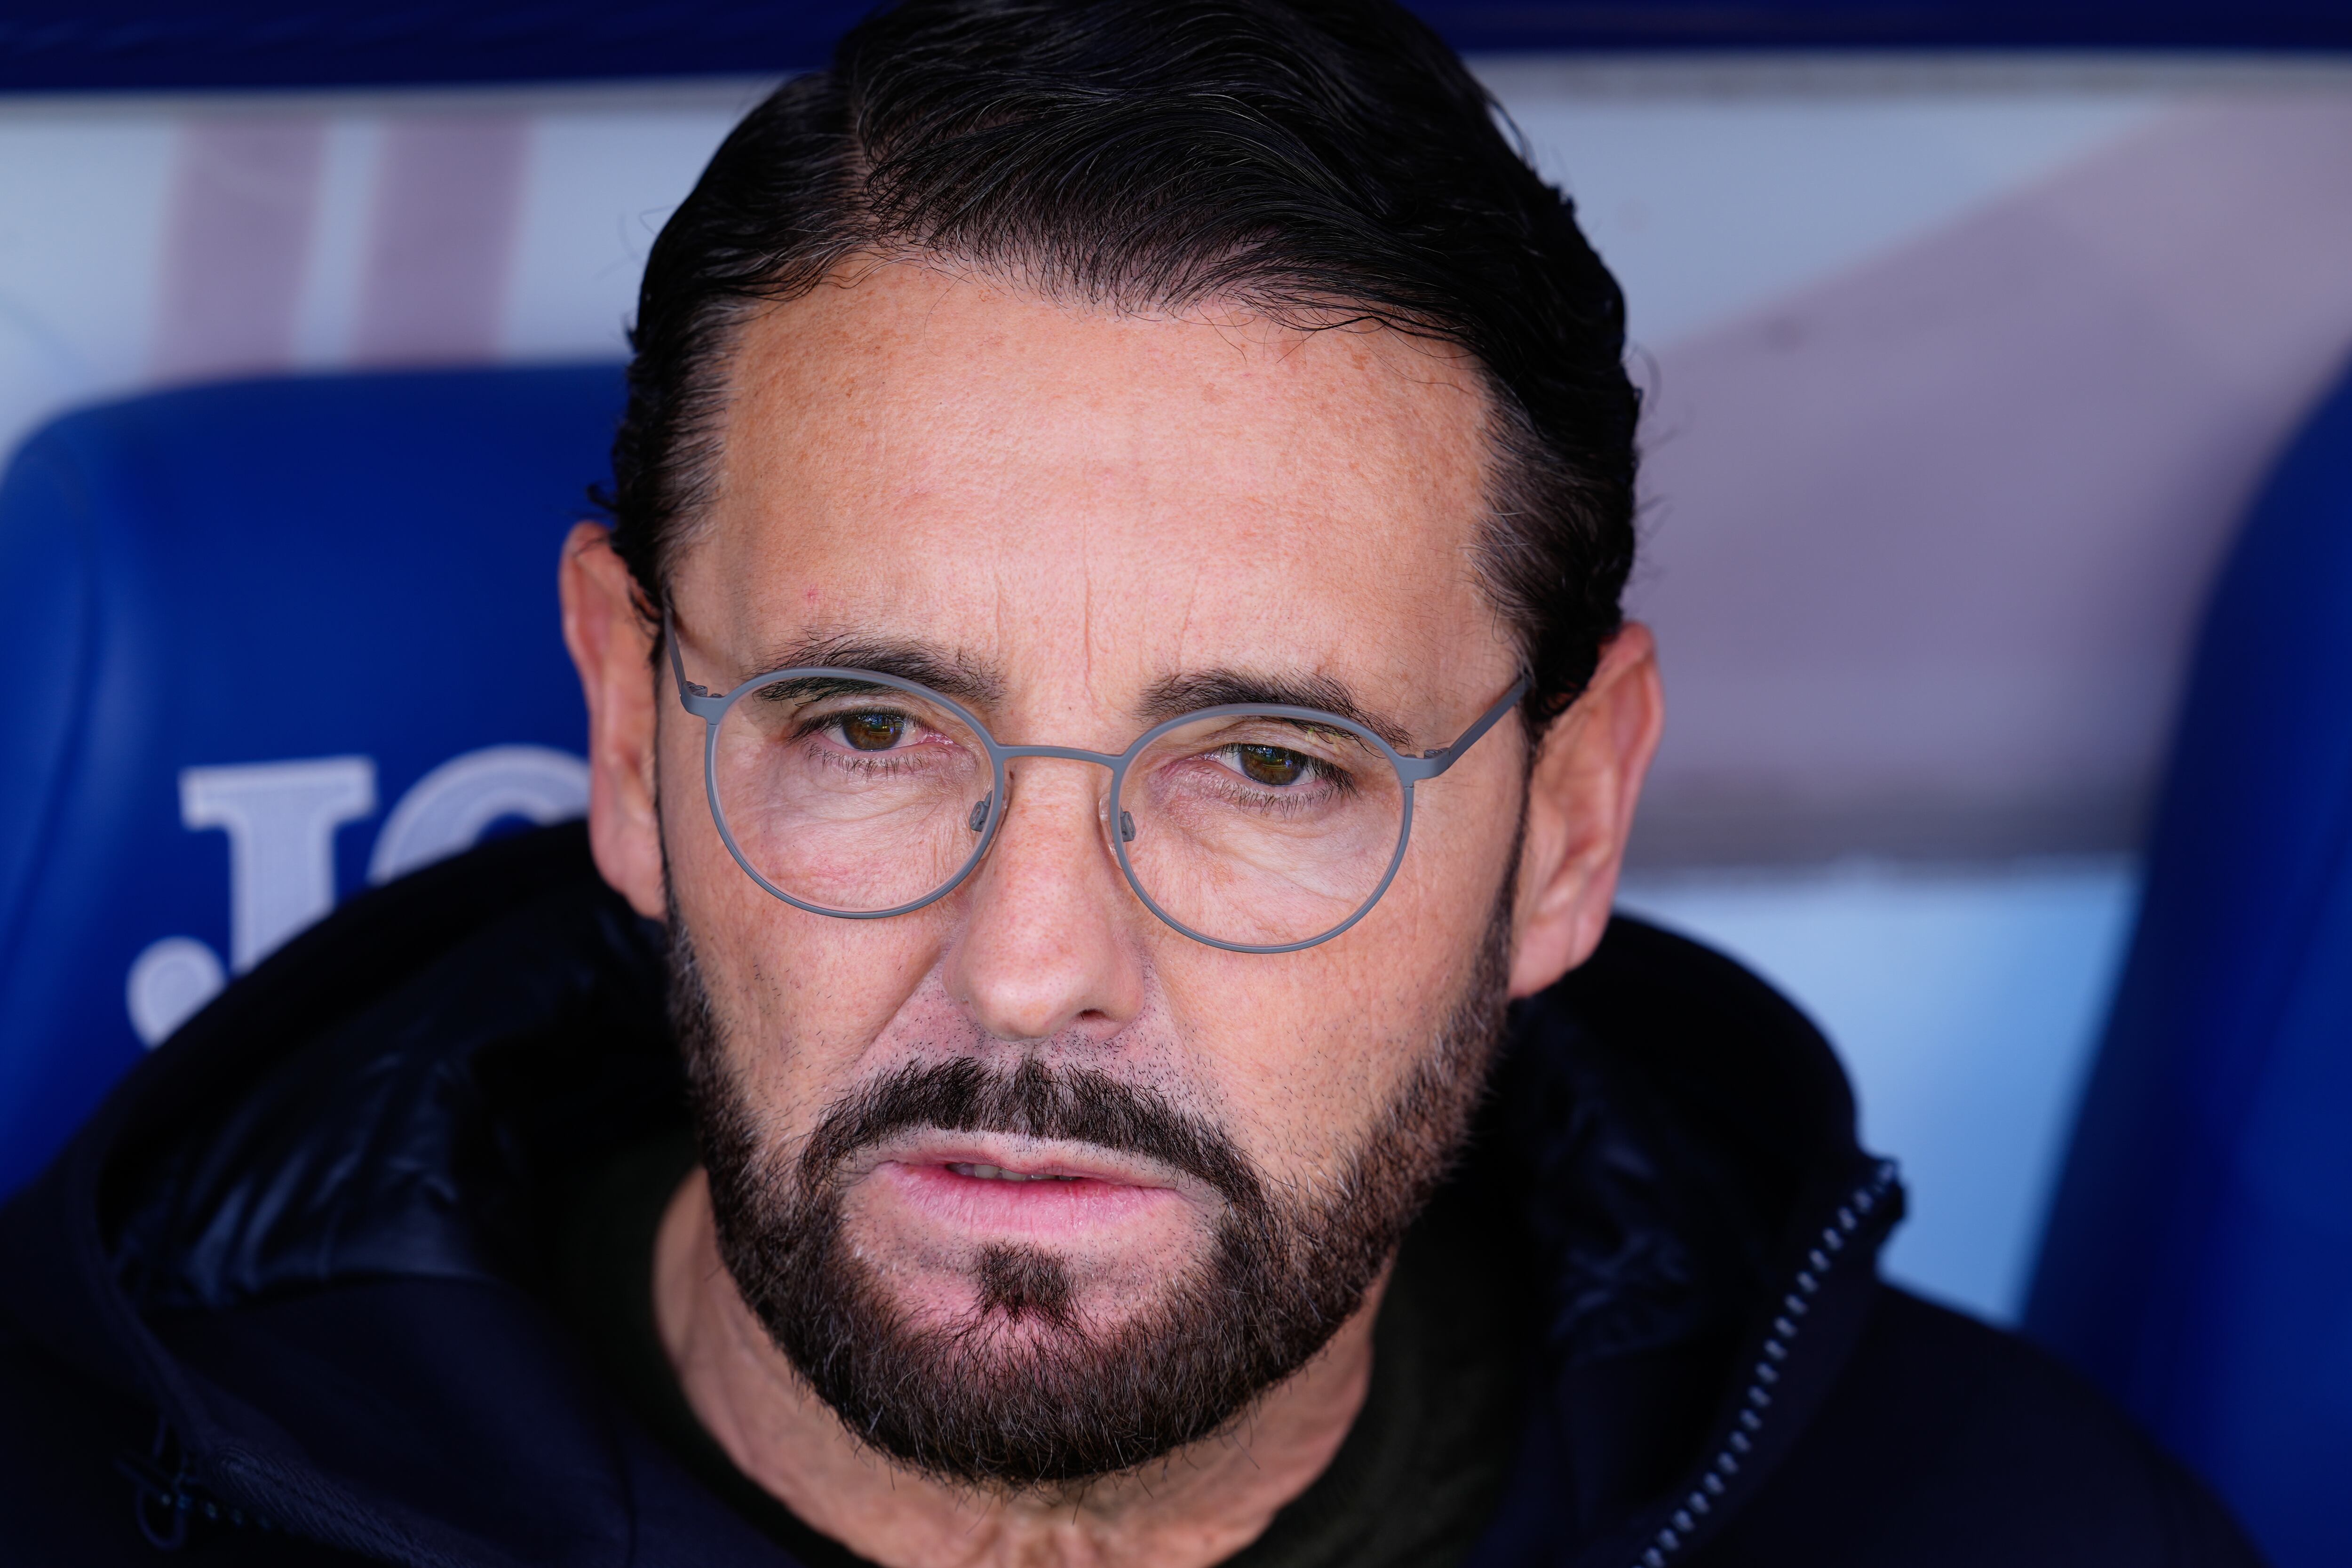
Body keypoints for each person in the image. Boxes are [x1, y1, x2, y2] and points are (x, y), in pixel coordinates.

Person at [0, 1, 2263, 1563]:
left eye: (1264, 765)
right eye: (871, 730)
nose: (1033, 968)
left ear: (1565, 822)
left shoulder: (2016, 1531)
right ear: (627, 727)